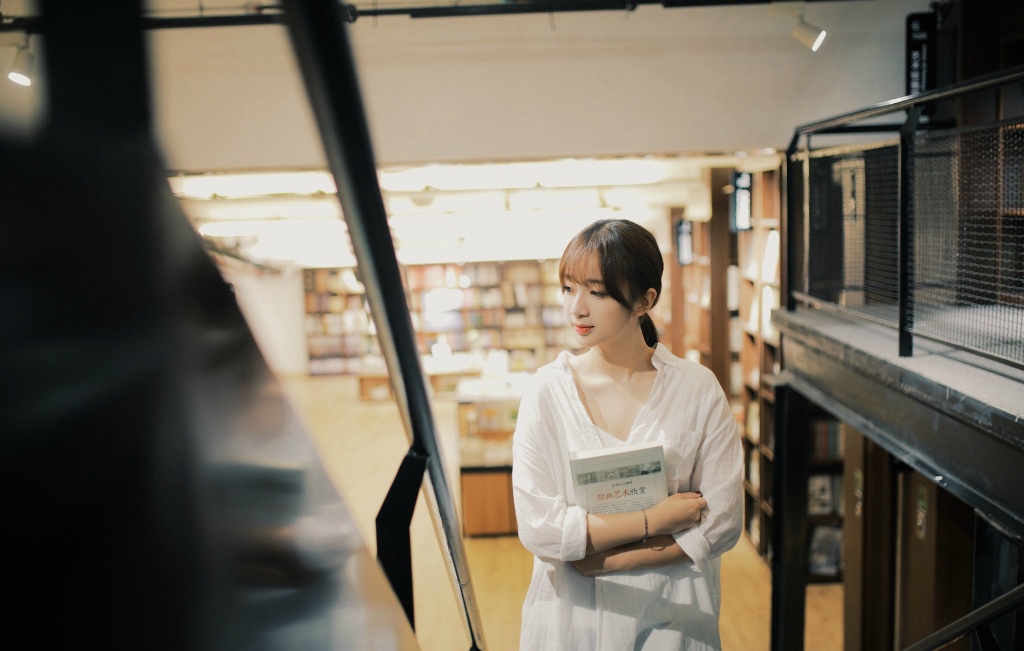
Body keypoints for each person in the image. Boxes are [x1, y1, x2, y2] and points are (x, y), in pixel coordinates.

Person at [511, 218, 743, 650]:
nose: (576, 308)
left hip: (674, 620)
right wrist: (658, 520)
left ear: (644, 300)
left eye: (596, 292)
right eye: (568, 288)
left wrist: (601, 559)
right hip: (570, 625)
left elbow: (723, 521)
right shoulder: (546, 392)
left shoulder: (696, 387)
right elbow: (539, 528)